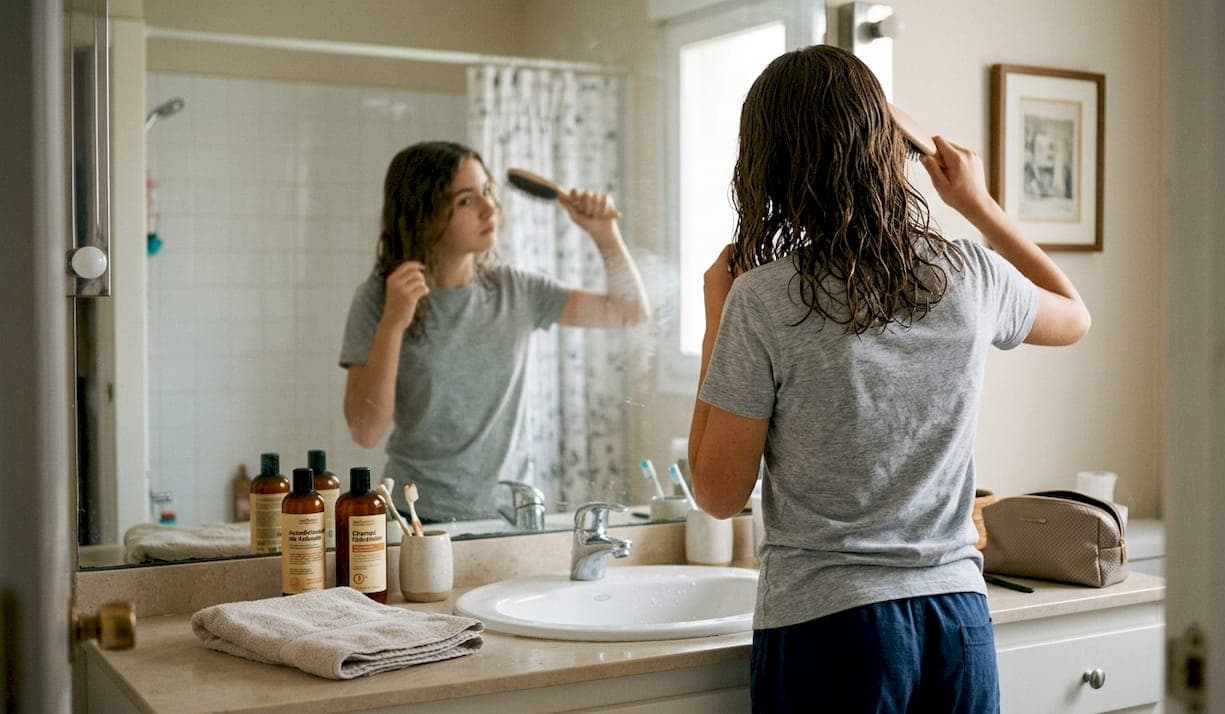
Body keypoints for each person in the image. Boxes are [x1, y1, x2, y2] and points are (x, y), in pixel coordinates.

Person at [688, 46, 1090, 712]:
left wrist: (714, 316)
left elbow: (717, 492)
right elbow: (1074, 315)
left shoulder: (762, 298)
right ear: (883, 150)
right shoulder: (969, 275)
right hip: (959, 624)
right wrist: (980, 204)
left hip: (832, 630)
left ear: (769, 165)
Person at [340, 141, 650, 522]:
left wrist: (604, 233)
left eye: (487, 191)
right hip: (415, 519)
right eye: (466, 200)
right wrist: (393, 322)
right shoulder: (379, 298)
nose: (490, 208)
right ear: (423, 212)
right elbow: (365, 431)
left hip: (506, 519)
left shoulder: (515, 291)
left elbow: (629, 311)